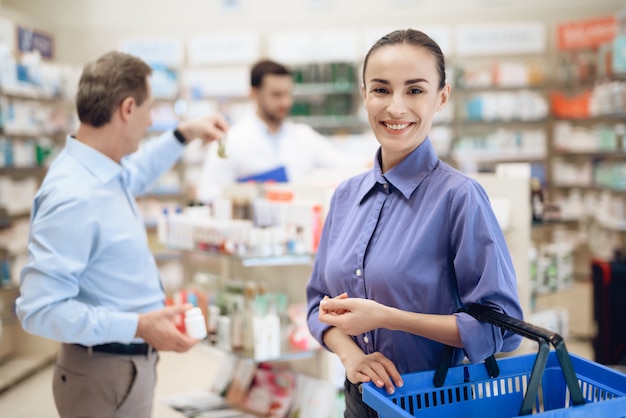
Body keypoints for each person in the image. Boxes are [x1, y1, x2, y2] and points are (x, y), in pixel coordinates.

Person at [305, 29, 523, 417]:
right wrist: (352, 356)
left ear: (442, 97)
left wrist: (387, 318)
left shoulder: (459, 197)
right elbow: (315, 305)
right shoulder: (345, 196)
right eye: (381, 89)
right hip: (360, 399)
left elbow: (501, 331)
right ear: (364, 95)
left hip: (436, 403)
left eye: (415, 90)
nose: (396, 107)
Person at [15, 51, 228, 418]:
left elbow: (139, 170)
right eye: (150, 112)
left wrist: (183, 134)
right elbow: (39, 310)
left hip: (122, 368)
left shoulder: (103, 172)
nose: (150, 124)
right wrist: (138, 325)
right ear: (128, 109)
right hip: (102, 374)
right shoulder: (73, 195)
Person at [196, 59, 367, 204]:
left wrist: (376, 163)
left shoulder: (303, 136)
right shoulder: (231, 140)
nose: (285, 102)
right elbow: (208, 194)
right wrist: (249, 194)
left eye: (288, 94)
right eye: (276, 95)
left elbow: (344, 163)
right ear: (254, 94)